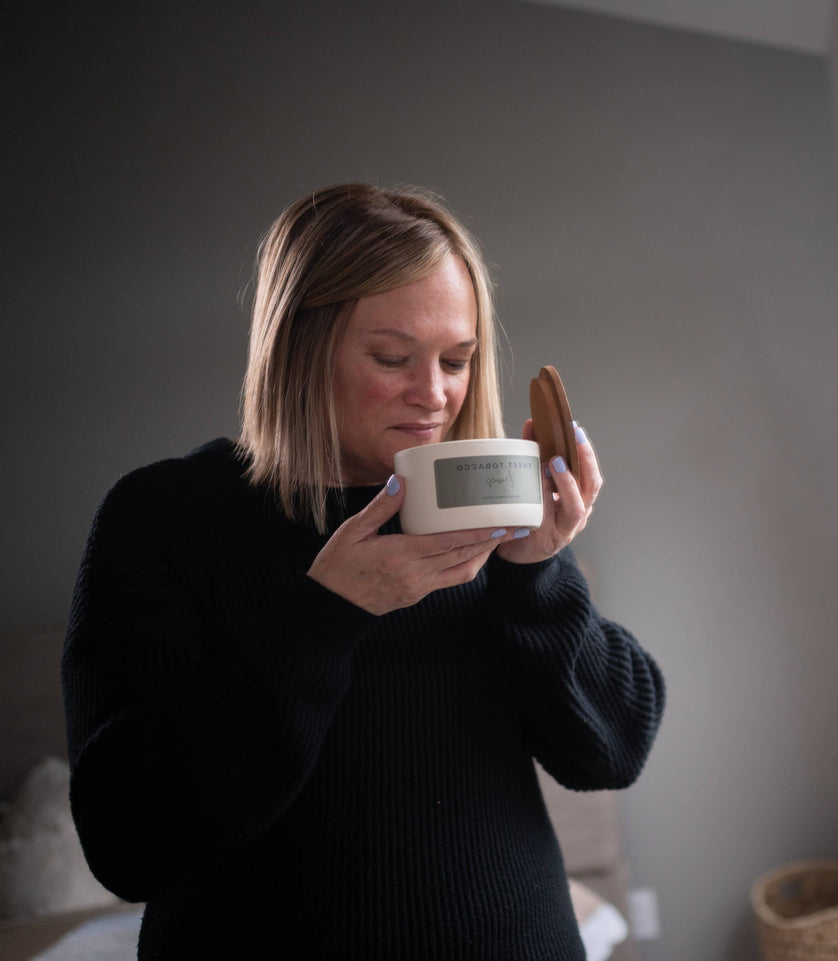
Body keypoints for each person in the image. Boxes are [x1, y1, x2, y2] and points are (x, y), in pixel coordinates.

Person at [61, 183, 666, 960]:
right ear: (299, 346)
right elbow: (127, 841)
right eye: (391, 357)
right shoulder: (165, 516)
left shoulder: (475, 493)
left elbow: (612, 751)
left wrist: (537, 574)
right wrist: (325, 616)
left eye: (458, 359)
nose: (436, 393)